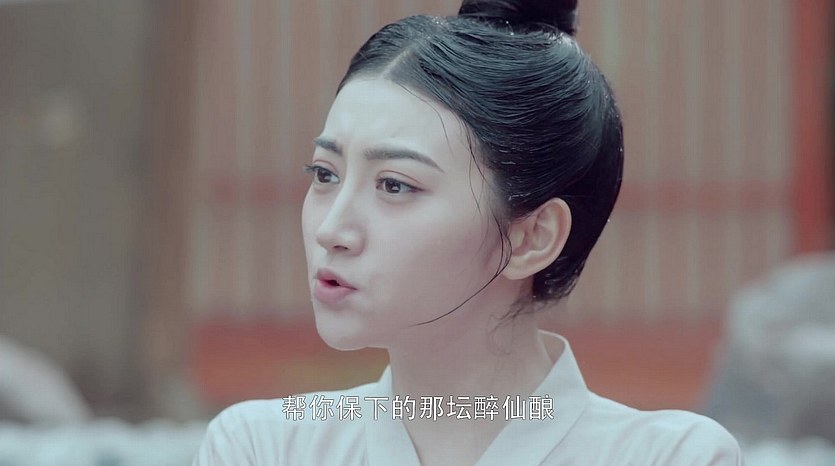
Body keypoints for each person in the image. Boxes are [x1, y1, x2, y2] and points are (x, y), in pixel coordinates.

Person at [194, 0, 743, 464]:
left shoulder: (667, 457)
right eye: (324, 174)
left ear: (531, 237)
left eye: (394, 185)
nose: (332, 229)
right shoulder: (267, 447)